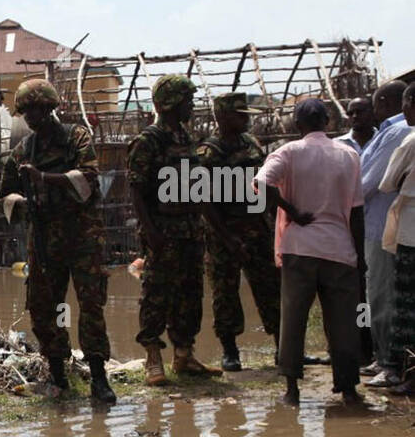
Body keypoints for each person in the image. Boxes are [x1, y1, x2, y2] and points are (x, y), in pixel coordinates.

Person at [0, 78, 116, 404]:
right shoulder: (23, 150)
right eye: (26, 112)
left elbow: (90, 177)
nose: (32, 117)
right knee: (48, 307)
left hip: (82, 237)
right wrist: (21, 201)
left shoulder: (75, 137)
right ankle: (59, 373)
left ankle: (98, 376)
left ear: (49, 108)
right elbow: (5, 194)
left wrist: (45, 179)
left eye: (37, 110)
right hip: (45, 240)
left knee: (89, 305)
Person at [255, 99, 364, 405]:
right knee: (345, 321)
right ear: (327, 122)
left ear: (297, 125)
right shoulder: (349, 155)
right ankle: (348, 388)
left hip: (299, 248)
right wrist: (361, 257)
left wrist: (293, 211)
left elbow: (261, 183)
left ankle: (291, 390)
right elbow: (357, 212)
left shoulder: (289, 152)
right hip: (339, 248)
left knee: (293, 318)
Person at [128, 74, 220, 385]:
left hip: (191, 230)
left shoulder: (186, 138)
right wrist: (149, 229)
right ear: (170, 104)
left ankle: (184, 354)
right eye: (186, 101)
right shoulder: (149, 140)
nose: (191, 106)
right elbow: (137, 189)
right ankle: (153, 358)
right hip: (162, 229)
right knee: (156, 294)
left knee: (190, 293)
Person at [197, 92, 277, 371]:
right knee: (225, 291)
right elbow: (203, 200)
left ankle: (285, 347)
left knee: (271, 286)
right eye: (239, 114)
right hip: (223, 233)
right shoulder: (209, 152)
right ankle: (230, 351)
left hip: (257, 228)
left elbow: (266, 183)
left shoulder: (252, 144)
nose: (246, 119)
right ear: (222, 117)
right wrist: (227, 238)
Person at [358, 81, 414, 387]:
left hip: (385, 227)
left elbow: (374, 183)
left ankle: (389, 362)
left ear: (386, 102)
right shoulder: (393, 132)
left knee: (383, 296)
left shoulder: (398, 133)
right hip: (389, 225)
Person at [377, 83, 415, 395]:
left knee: (406, 308)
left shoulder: (410, 141)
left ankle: (403, 374)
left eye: (405, 104)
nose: (403, 112)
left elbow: (387, 183)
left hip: (410, 235)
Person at [338, 97, 377, 365]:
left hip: (378, 229)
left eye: (360, 111)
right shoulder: (338, 146)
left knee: (378, 290)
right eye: (350, 113)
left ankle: (378, 343)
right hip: (347, 230)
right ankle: (361, 345)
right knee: (356, 292)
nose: (355, 117)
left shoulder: (385, 141)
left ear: (373, 112)